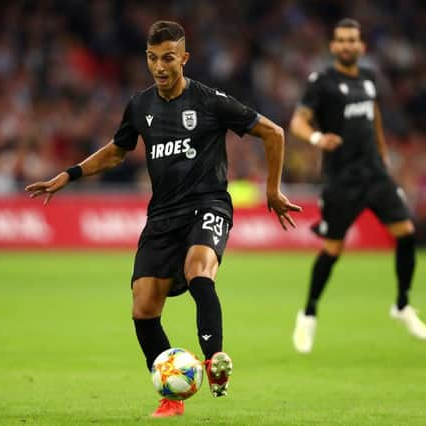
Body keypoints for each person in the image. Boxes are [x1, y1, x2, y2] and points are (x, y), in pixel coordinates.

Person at [26, 21, 301, 417]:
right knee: (143, 307)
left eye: (168, 58)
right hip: (162, 216)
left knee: (198, 271)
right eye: (153, 58)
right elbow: (117, 151)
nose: (159, 66)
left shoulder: (210, 101)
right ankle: (172, 396)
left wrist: (272, 191)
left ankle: (214, 361)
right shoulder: (140, 106)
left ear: (184, 59)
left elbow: (273, 133)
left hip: (208, 204)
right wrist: (69, 175)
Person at [289, 18, 426, 354]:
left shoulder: (369, 78)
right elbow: (298, 121)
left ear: (361, 46)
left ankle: (402, 305)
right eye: (341, 40)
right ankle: (308, 314)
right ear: (333, 47)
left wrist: (384, 160)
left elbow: (374, 117)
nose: (348, 45)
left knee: (407, 233)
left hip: (375, 174)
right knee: (332, 250)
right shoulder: (322, 82)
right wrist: (317, 137)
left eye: (353, 39)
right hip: (342, 180)